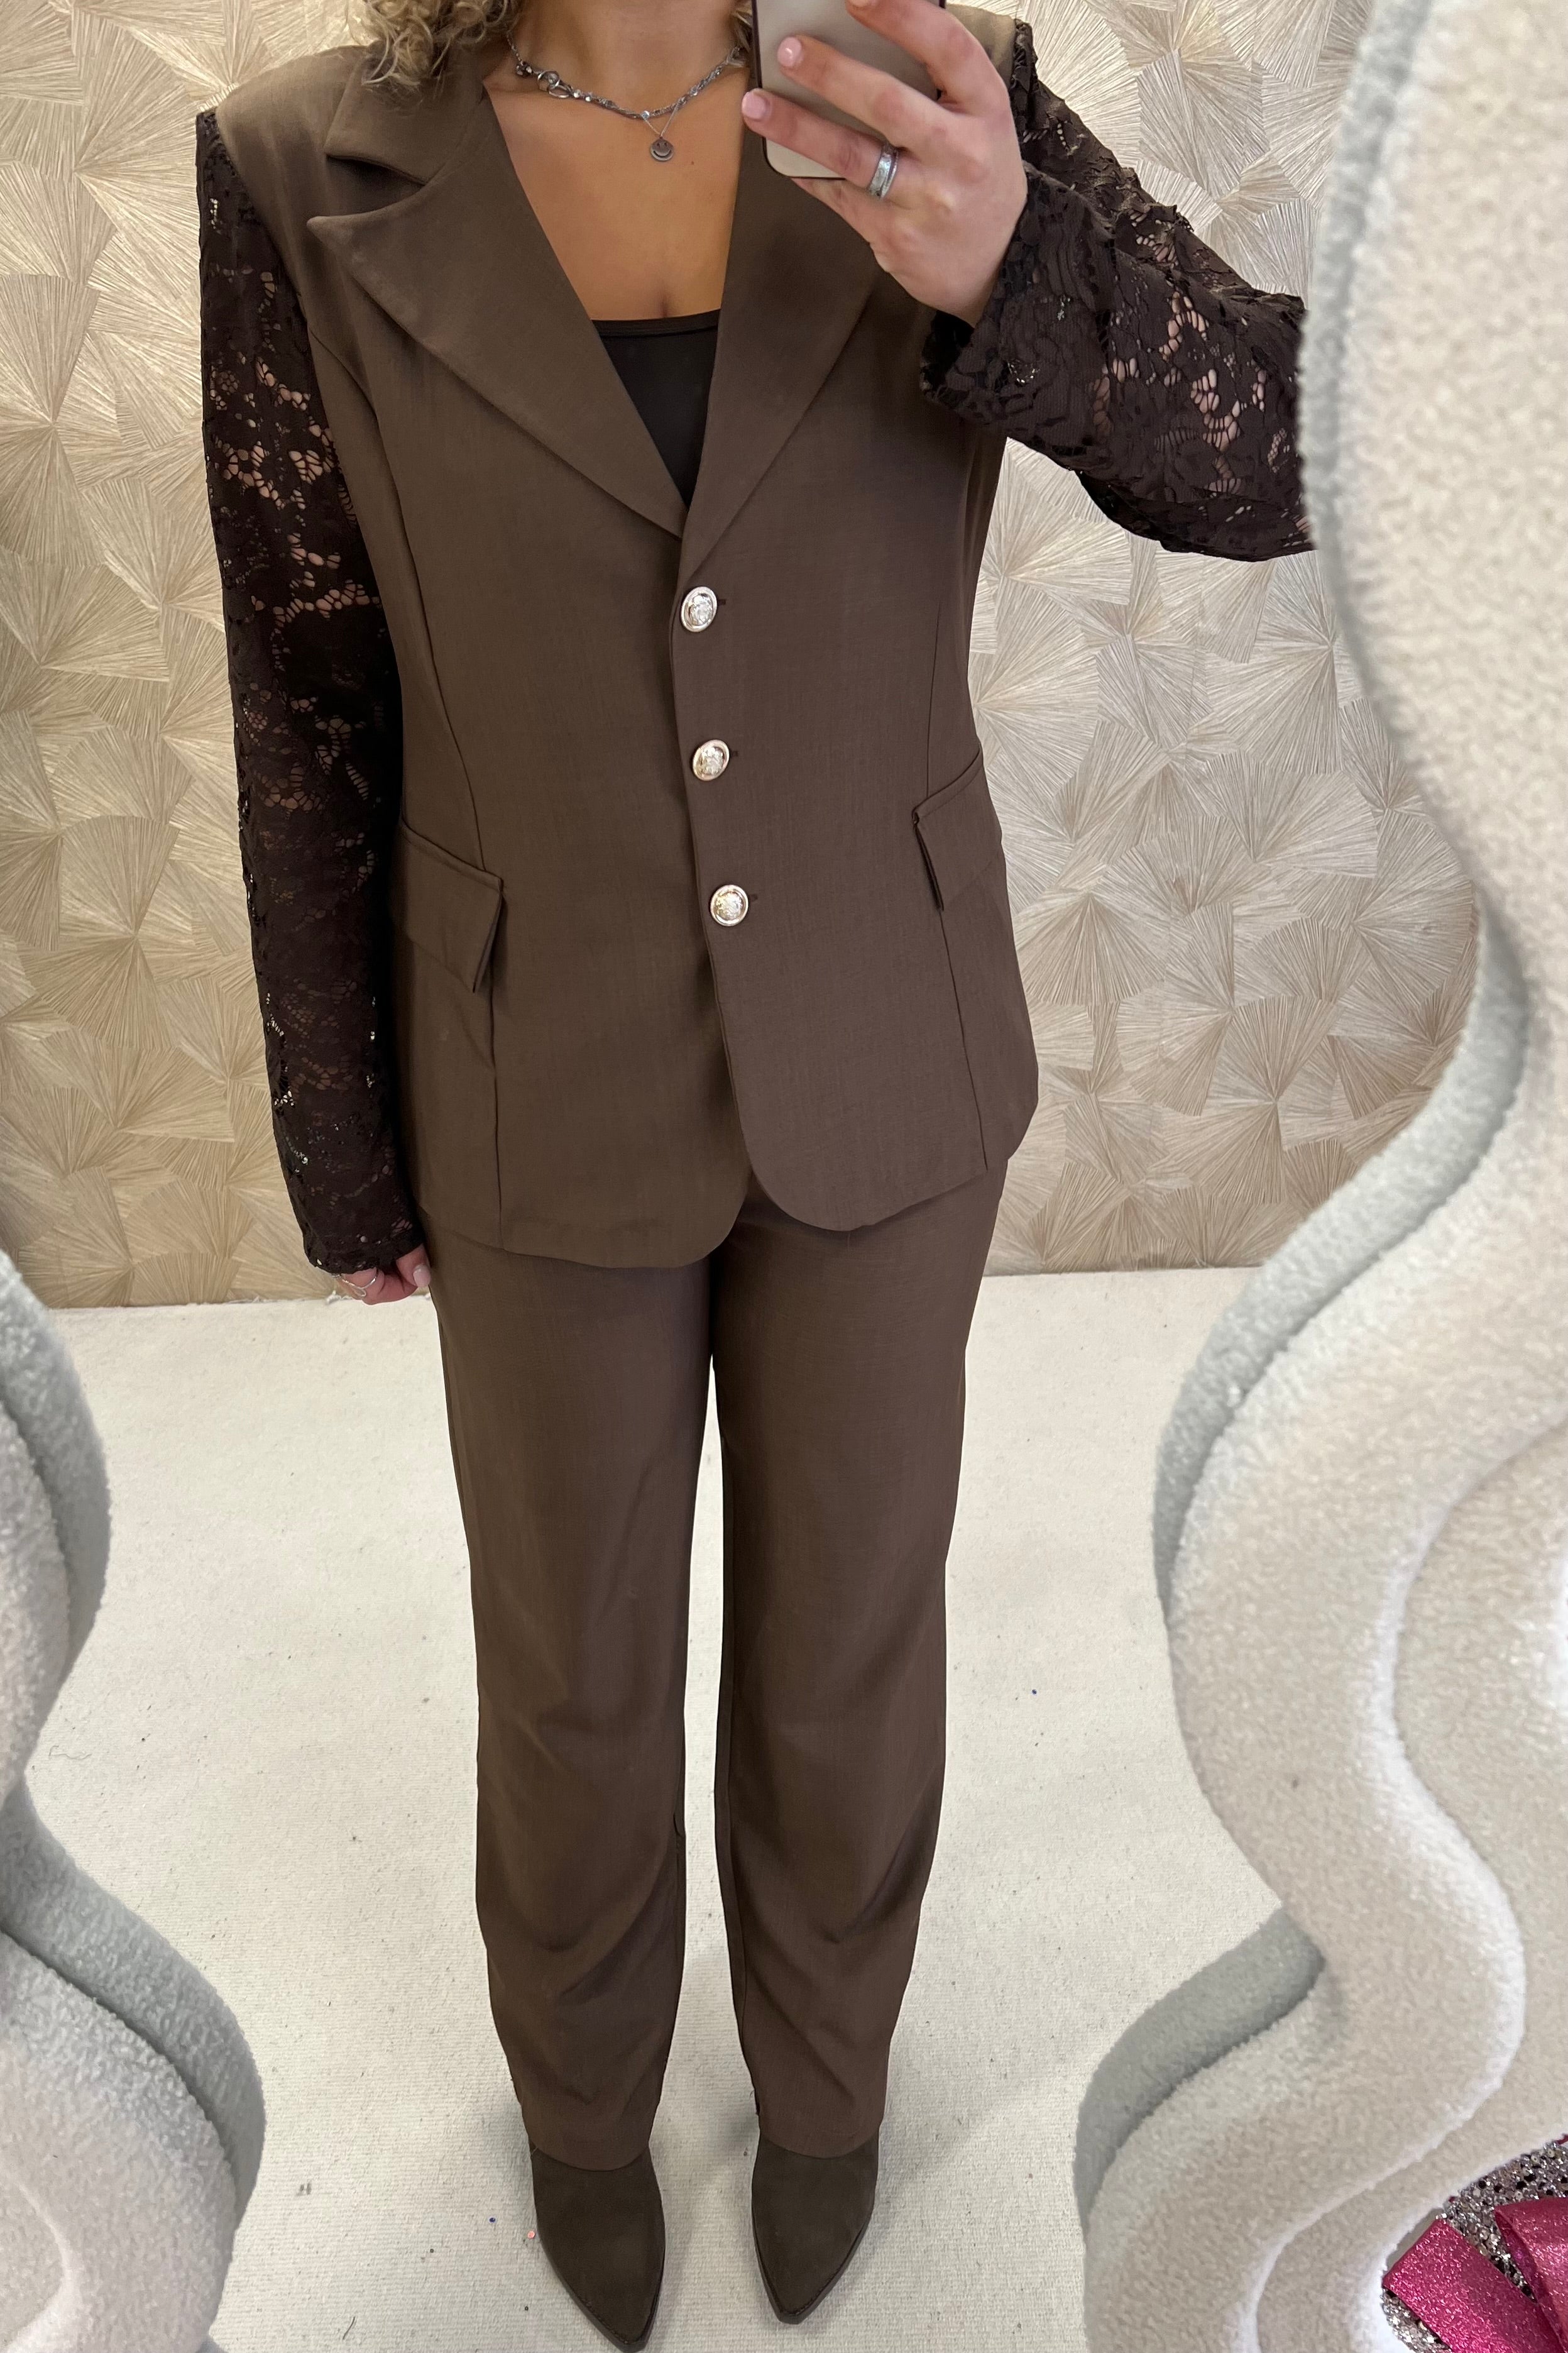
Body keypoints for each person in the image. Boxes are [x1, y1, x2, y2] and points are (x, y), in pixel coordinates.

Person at [195, 0, 1310, 2336]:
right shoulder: (305, 164)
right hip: (529, 1056)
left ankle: (825, 2091)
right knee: (570, 1662)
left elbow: (1279, 457)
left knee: (850, 1639)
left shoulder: (934, 91)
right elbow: (303, 671)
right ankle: (584, 2109)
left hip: (887, 1037)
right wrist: (339, 1129)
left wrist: (1017, 267)